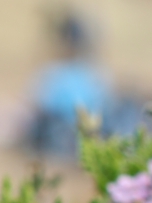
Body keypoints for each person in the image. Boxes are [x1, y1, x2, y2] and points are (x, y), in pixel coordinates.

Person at [29, 14, 112, 157]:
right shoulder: (95, 74)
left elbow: (38, 106)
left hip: (63, 135)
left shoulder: (57, 73)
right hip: (71, 136)